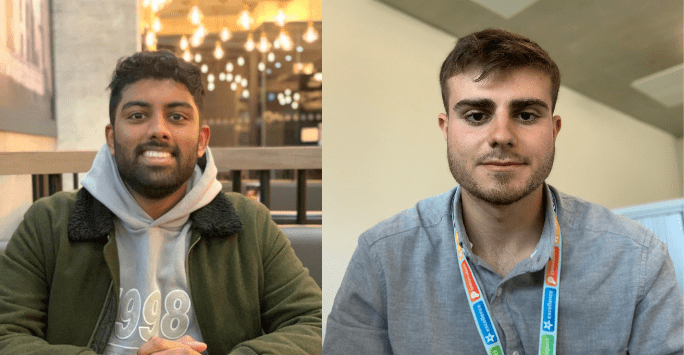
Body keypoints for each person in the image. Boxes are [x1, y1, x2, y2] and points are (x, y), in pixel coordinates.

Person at [324, 29, 683, 354]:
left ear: (554, 129)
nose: (501, 135)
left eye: (526, 115)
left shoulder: (638, 260)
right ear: (445, 128)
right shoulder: (381, 259)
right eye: (477, 115)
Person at [0, 50, 322, 355]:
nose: (158, 130)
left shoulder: (249, 224)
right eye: (138, 115)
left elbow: (314, 323)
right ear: (111, 138)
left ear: (201, 140)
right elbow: (7, 334)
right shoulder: (49, 223)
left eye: (177, 116)